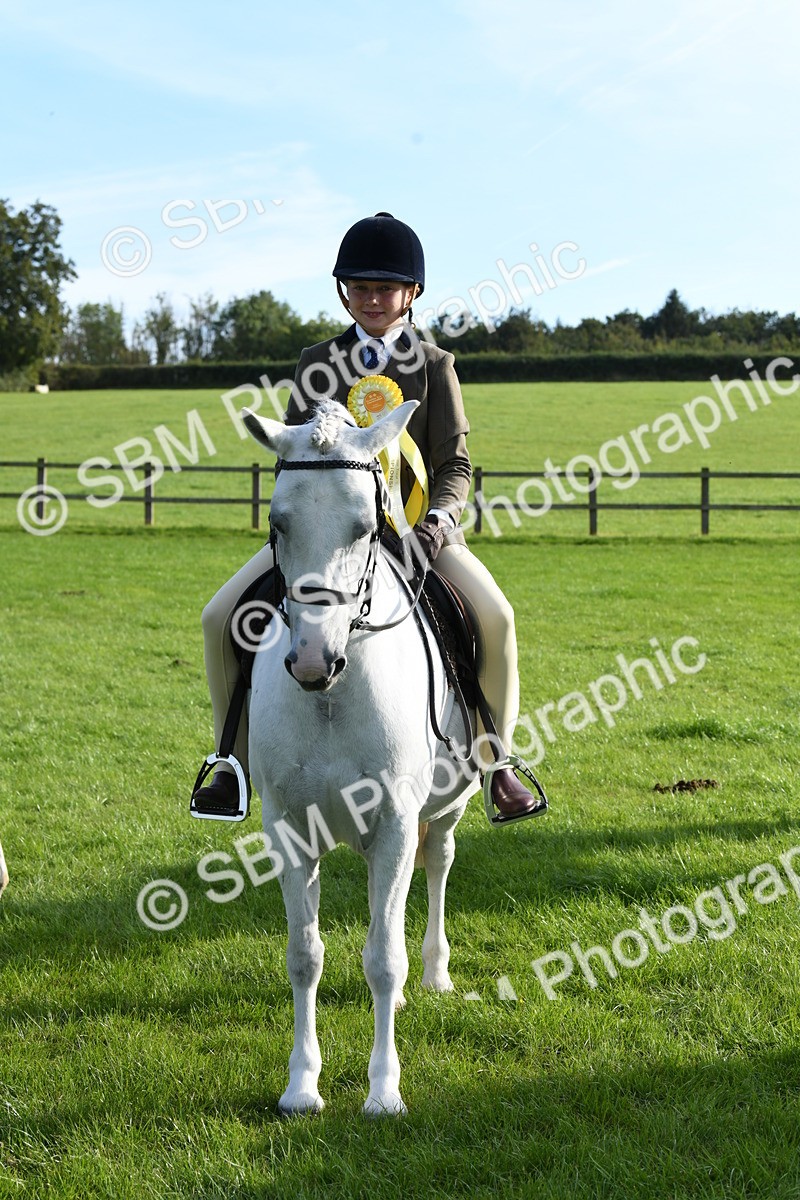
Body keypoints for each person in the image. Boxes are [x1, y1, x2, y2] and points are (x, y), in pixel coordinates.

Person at [195, 212, 546, 824]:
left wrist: (438, 520)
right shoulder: (316, 362)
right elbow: (294, 456)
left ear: (411, 293)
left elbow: (455, 465)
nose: (373, 299)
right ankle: (233, 763)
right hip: (325, 539)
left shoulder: (435, 366)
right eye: (360, 287)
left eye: (385, 288)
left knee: (497, 617)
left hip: (418, 535)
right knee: (219, 616)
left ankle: (498, 763)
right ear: (344, 292)